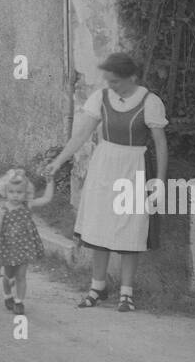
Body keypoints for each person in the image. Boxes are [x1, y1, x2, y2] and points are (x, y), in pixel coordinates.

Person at [45, 52, 168, 313]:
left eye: (115, 81)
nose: (110, 86)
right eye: (108, 81)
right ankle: (97, 287)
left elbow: (160, 143)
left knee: (130, 229)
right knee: (98, 228)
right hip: (104, 166)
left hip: (134, 166)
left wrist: (159, 181)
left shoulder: (149, 101)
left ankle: (126, 293)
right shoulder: (100, 98)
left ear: (131, 77)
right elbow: (82, 134)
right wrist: (59, 161)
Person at [0, 167, 53, 314]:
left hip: (24, 247)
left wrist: (50, 182)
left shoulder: (27, 205)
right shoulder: (3, 210)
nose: (15, 196)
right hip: (8, 247)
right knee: (8, 276)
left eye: (19, 192)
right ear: (5, 191)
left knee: (21, 275)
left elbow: (46, 199)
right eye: (11, 192)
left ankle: (19, 301)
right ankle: (7, 295)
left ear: (26, 193)